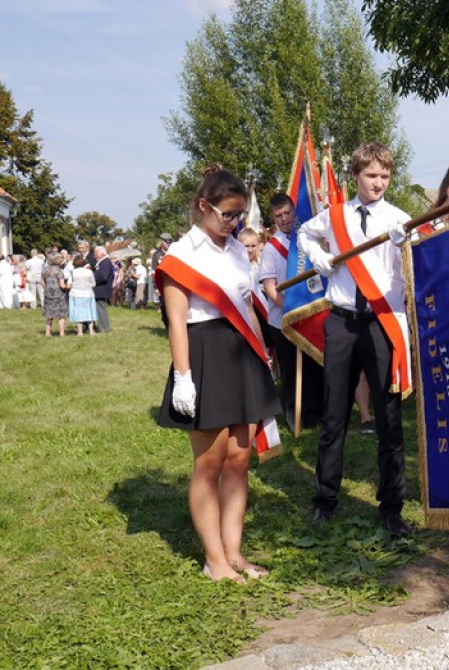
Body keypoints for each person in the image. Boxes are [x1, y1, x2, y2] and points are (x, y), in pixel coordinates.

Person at [156, 165, 281, 583]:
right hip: (204, 355)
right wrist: (184, 376)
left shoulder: (234, 250)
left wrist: (263, 354)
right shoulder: (180, 257)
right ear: (203, 206)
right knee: (209, 463)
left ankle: (235, 553)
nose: (234, 223)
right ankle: (215, 560)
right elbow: (176, 322)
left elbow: (247, 306)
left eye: (239, 216)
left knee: (239, 460)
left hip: (242, 355)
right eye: (227, 215)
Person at [297, 141, 413, 536]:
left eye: (384, 175)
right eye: (371, 175)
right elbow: (304, 234)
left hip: (382, 321)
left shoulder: (400, 219)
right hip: (343, 321)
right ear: (356, 176)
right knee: (334, 416)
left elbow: (414, 269)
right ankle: (325, 501)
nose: (378, 183)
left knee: (389, 418)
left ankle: (392, 507)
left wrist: (405, 244)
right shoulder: (335, 216)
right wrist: (317, 258)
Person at [258, 193, 325, 430]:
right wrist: (291, 308)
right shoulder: (271, 249)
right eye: (279, 215)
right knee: (290, 371)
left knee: (313, 366)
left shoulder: (307, 239)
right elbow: (269, 287)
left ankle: (316, 413)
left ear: (293, 211)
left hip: (310, 314)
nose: (284, 219)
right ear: (273, 218)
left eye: (287, 213)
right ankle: (294, 414)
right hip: (284, 319)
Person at [68, 256, 97, 337]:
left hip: (76, 294)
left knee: (78, 312)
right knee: (89, 311)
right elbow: (94, 283)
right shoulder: (89, 272)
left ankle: (80, 332)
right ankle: (91, 331)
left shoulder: (72, 272)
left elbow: (69, 283)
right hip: (88, 294)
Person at [42, 252, 69, 336]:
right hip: (59, 295)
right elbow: (62, 285)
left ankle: (47, 332)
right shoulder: (59, 271)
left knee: (49, 315)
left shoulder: (44, 270)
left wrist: (46, 288)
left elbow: (41, 281)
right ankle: (61, 333)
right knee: (61, 315)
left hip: (48, 295)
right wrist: (67, 286)